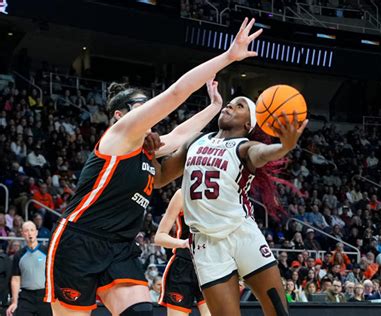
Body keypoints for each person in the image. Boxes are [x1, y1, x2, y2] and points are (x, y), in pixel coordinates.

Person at [44, 17, 262, 316]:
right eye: (140, 106)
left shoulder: (146, 149)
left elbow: (179, 136)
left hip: (120, 247)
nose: (148, 110)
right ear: (121, 115)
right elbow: (175, 94)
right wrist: (227, 57)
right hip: (80, 240)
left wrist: (212, 108)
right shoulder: (119, 136)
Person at [153, 82, 308, 315]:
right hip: (206, 243)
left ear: (248, 124)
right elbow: (160, 178)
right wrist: (147, 152)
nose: (230, 106)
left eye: (239, 106)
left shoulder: (245, 148)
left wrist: (283, 147)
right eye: (230, 103)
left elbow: (263, 153)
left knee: (278, 310)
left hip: (242, 234)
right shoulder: (196, 141)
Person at [155, 189, 211, 316]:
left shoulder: (223, 193)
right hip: (183, 265)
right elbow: (159, 237)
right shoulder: (182, 194)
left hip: (211, 265)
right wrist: (183, 243)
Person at [7, 221, 51, 316]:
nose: (30, 233)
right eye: (26, 231)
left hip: (44, 295)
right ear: (22, 233)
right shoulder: (18, 255)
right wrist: (14, 302)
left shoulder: (47, 252)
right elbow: (15, 279)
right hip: (26, 296)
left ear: (36, 232)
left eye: (32, 230)